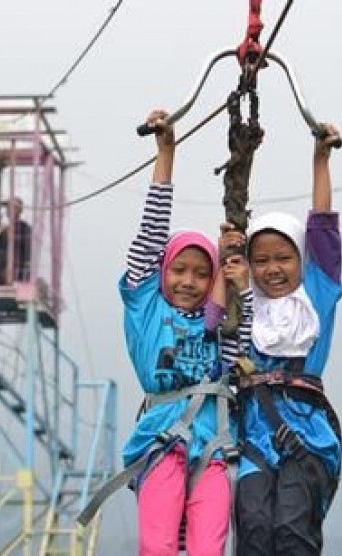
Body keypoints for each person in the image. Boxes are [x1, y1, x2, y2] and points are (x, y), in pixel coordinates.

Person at [116, 109, 252, 556]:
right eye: (179, 270)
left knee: (208, 548)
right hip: (160, 442)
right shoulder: (146, 305)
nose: (188, 281)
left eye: (200, 273)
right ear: (161, 272)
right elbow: (152, 234)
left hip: (214, 445)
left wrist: (240, 290)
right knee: (157, 547)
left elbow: (236, 354)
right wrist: (166, 153)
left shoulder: (216, 324)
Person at [234, 124, 342, 556]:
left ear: (301, 260)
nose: (272, 270)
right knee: (256, 529)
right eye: (260, 261)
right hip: (253, 439)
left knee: (292, 531)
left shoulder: (316, 296)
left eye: (283, 258)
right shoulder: (244, 308)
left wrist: (320, 160)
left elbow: (323, 231)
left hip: (306, 434)